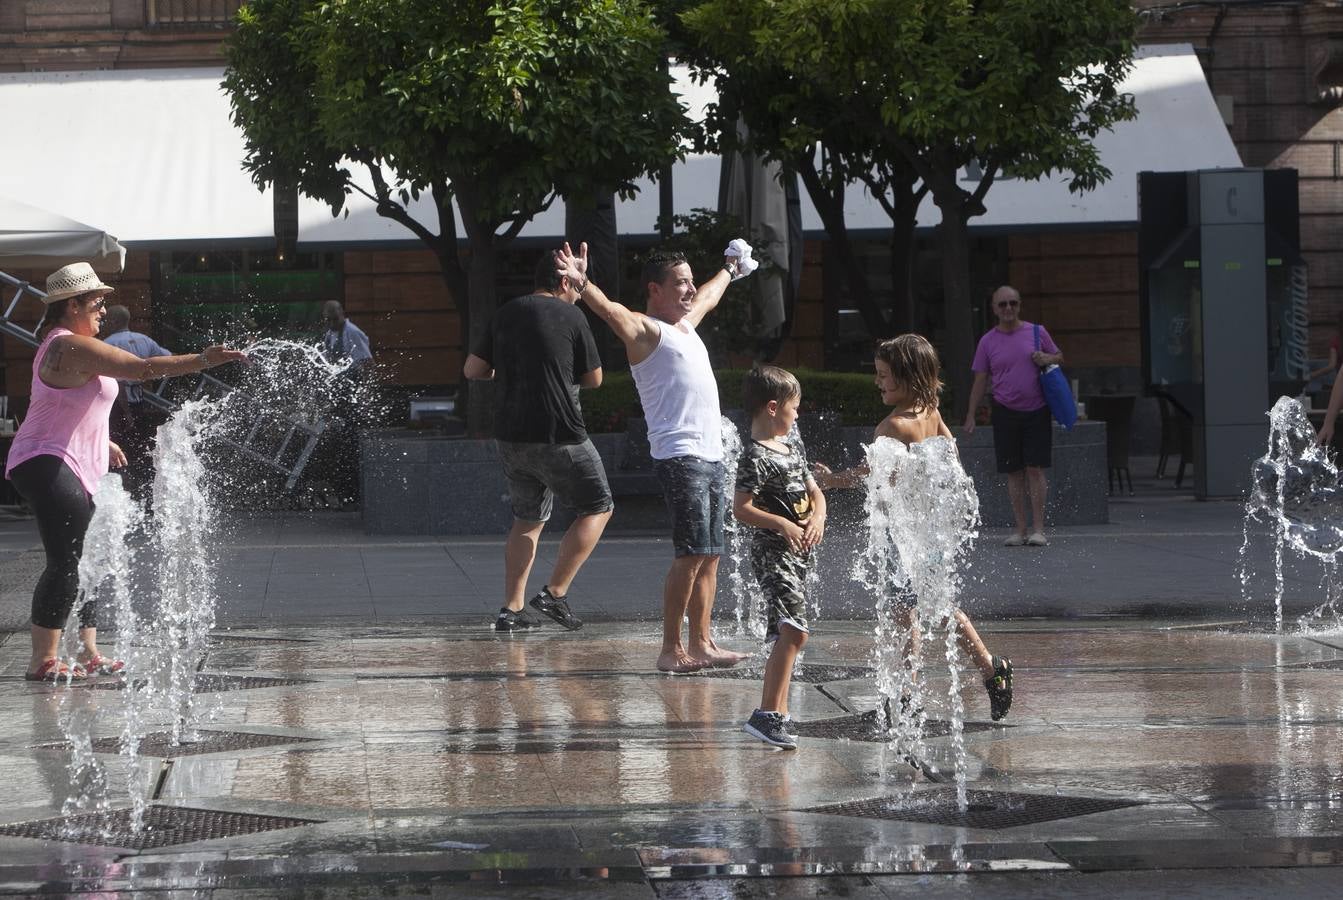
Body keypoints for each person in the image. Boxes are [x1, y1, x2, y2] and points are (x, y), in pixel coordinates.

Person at [4, 262, 246, 682]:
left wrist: (103, 440)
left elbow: (70, 405)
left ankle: (88, 650)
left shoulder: (71, 345)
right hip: (45, 459)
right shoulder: (68, 345)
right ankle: (42, 658)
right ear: (73, 304)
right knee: (67, 559)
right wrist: (205, 359)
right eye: (97, 303)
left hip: (68, 457)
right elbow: (142, 369)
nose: (103, 311)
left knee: (90, 556)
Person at [554, 239, 756, 673]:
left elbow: (709, 294)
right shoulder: (647, 332)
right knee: (690, 553)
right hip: (680, 457)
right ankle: (671, 649)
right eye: (678, 283)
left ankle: (702, 643)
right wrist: (582, 281)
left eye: (689, 281)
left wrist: (731, 269)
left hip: (711, 454)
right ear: (655, 290)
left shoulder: (687, 325)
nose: (688, 289)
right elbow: (611, 312)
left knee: (711, 553)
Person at [816, 335, 1013, 721]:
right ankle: (990, 670)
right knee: (934, 609)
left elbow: (872, 477)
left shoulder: (891, 427)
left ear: (906, 378)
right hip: (930, 531)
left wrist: (829, 480)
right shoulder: (931, 411)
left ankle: (909, 694)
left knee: (909, 613)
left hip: (903, 535)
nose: (878, 383)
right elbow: (951, 458)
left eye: (884, 376)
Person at [463, 252, 614, 632]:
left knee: (527, 520)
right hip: (559, 433)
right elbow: (594, 379)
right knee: (599, 506)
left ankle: (510, 611)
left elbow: (473, 370)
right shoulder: (573, 316)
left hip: (511, 437)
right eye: (577, 285)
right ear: (564, 282)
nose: (580, 292)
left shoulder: (504, 313)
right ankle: (555, 592)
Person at [733, 366, 826, 749]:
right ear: (773, 407)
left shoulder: (792, 449)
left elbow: (815, 491)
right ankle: (767, 715)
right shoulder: (754, 455)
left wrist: (818, 515)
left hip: (799, 555)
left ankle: (778, 712)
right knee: (795, 630)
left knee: (785, 632)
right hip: (773, 554)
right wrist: (782, 525)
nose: (798, 414)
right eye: (794, 407)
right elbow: (741, 508)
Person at [961, 286, 1064, 547]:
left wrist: (1047, 357)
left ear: (1019, 305)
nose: (1008, 309)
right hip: (1005, 411)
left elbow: (1060, 357)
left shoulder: (1036, 332)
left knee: (1035, 468)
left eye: (1013, 303)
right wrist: (971, 414)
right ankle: (1020, 529)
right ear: (994, 309)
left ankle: (1039, 529)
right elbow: (980, 379)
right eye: (1003, 304)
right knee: (1013, 471)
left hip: (1037, 408)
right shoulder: (987, 341)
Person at [100, 304, 172, 498]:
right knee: (141, 447)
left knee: (119, 448)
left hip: (117, 405)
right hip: (139, 402)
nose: (103, 324)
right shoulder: (144, 340)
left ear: (114, 322)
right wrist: (148, 375)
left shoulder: (107, 344)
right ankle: (145, 492)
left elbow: (114, 382)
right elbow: (168, 358)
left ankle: (123, 491)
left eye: (106, 321)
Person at [321, 300, 373, 373]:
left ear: (342, 314)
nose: (332, 323)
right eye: (328, 320)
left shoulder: (352, 332)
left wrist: (366, 383)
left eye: (335, 319)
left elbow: (367, 361)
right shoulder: (329, 334)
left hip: (355, 378)